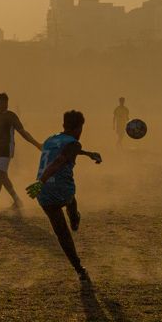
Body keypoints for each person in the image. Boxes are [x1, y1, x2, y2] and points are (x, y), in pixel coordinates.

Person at [26, 110, 102, 281]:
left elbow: (62, 152)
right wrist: (43, 180)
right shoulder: (74, 143)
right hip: (57, 188)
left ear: (63, 125)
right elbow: (59, 161)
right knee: (70, 196)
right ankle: (74, 217)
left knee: (62, 233)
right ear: (79, 128)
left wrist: (88, 154)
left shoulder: (50, 139)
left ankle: (79, 269)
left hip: (42, 193)